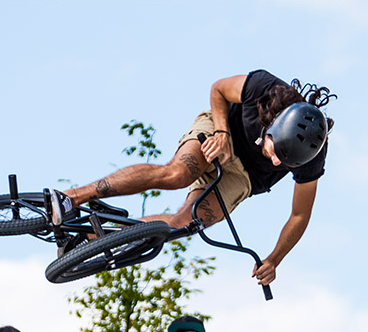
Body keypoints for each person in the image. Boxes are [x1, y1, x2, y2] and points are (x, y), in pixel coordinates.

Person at [49, 71, 334, 286]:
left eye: (284, 164)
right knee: (178, 174)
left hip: (244, 177)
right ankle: (73, 197)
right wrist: (222, 133)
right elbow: (219, 89)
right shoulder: (265, 88)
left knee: (183, 223)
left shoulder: (313, 156)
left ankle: (86, 239)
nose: (275, 163)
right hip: (221, 131)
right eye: (276, 153)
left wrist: (274, 259)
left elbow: (299, 215)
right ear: (275, 124)